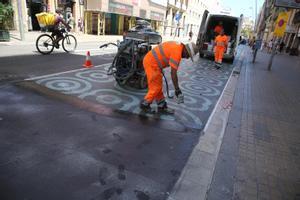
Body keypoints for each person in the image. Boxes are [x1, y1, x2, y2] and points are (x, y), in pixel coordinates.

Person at [140, 41, 198, 113]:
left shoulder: (178, 46)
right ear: (186, 50)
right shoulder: (177, 52)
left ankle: (162, 105)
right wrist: (177, 89)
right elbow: (173, 74)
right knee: (155, 87)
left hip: (153, 62)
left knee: (158, 86)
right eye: (188, 55)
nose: (187, 58)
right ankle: (145, 104)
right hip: (152, 64)